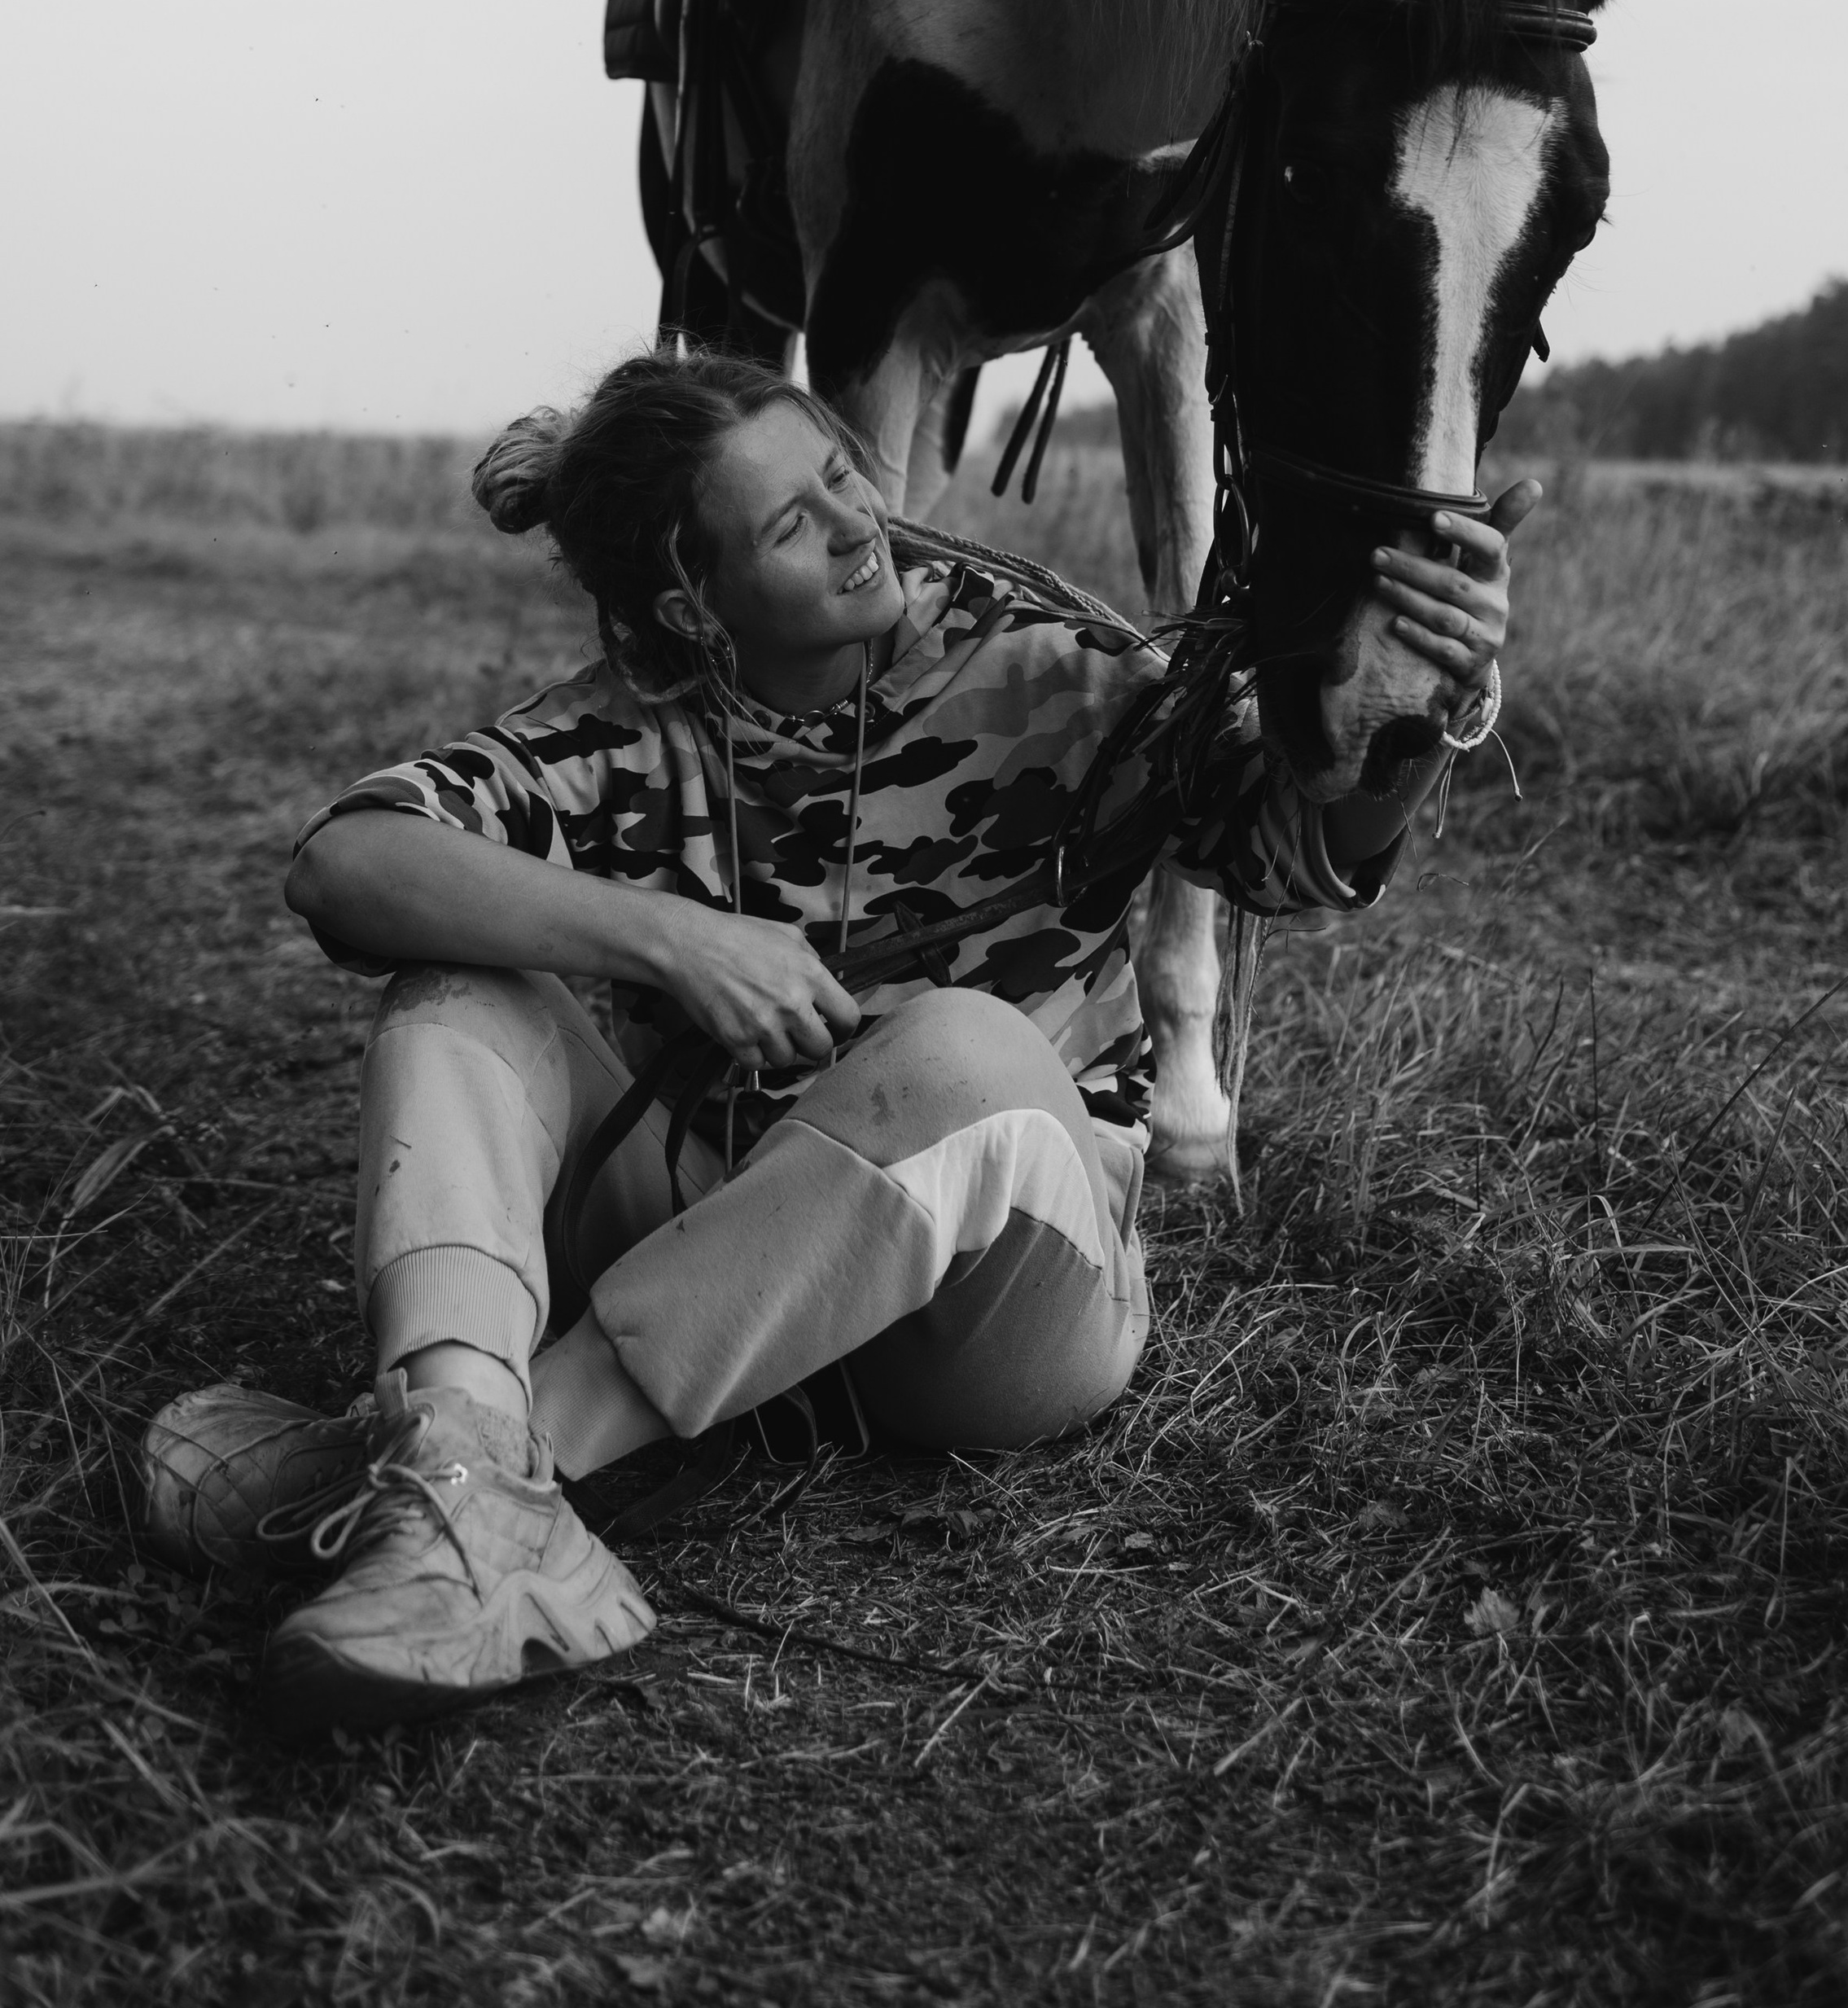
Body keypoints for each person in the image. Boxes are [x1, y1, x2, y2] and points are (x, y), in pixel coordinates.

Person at [140, 346, 1533, 1738]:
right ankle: (460, 1449)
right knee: (462, 994)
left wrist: (1421, 706)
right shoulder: (627, 728)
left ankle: (455, 1481)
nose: (864, 520)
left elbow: (1293, 845)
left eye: (841, 475)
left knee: (958, 1050)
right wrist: (669, 937)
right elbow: (347, 863)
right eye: (795, 523)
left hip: (995, 1321)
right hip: (724, 1248)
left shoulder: (1046, 664)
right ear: (694, 604)